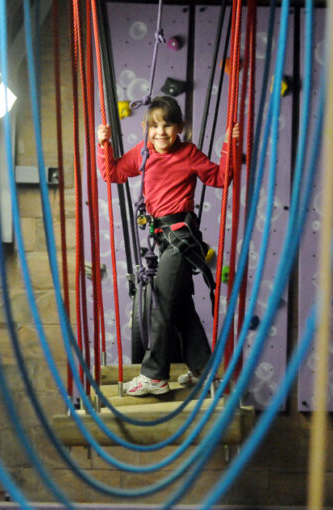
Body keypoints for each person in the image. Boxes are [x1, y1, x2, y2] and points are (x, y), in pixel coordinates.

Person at [96, 95, 239, 396]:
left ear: (180, 128)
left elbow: (221, 177)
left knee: (161, 302)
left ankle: (154, 376)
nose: (160, 132)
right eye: (154, 126)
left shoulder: (187, 153)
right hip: (163, 240)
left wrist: (229, 145)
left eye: (168, 125)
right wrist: (103, 145)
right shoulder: (143, 154)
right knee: (181, 307)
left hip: (182, 239)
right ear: (146, 128)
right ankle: (204, 370)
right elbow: (113, 173)